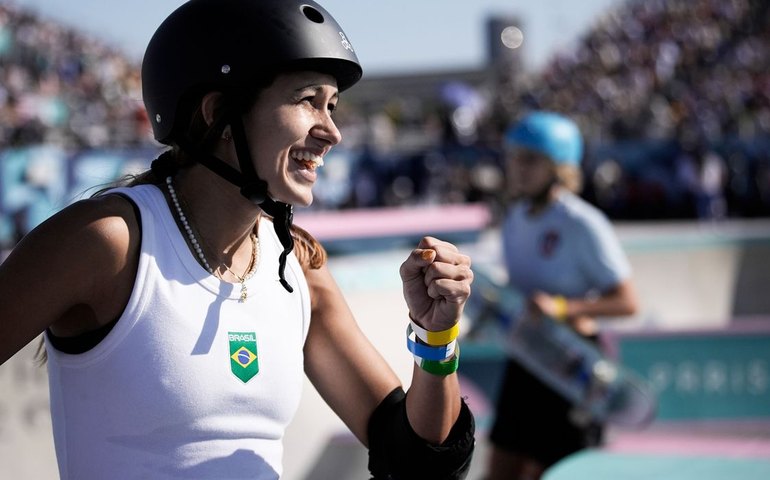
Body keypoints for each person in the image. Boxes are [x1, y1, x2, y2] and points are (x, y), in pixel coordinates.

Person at [0, 1, 475, 479]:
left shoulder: (298, 268)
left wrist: (436, 334)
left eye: (332, 106)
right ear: (218, 116)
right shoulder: (109, 241)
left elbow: (417, 460)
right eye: (308, 99)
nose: (332, 131)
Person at [484, 111, 638, 480]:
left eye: (531, 159)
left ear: (559, 167)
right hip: (526, 356)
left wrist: (563, 307)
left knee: (556, 472)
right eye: (515, 157)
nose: (518, 168)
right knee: (500, 470)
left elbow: (628, 302)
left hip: (571, 365)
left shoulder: (583, 222)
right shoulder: (515, 217)